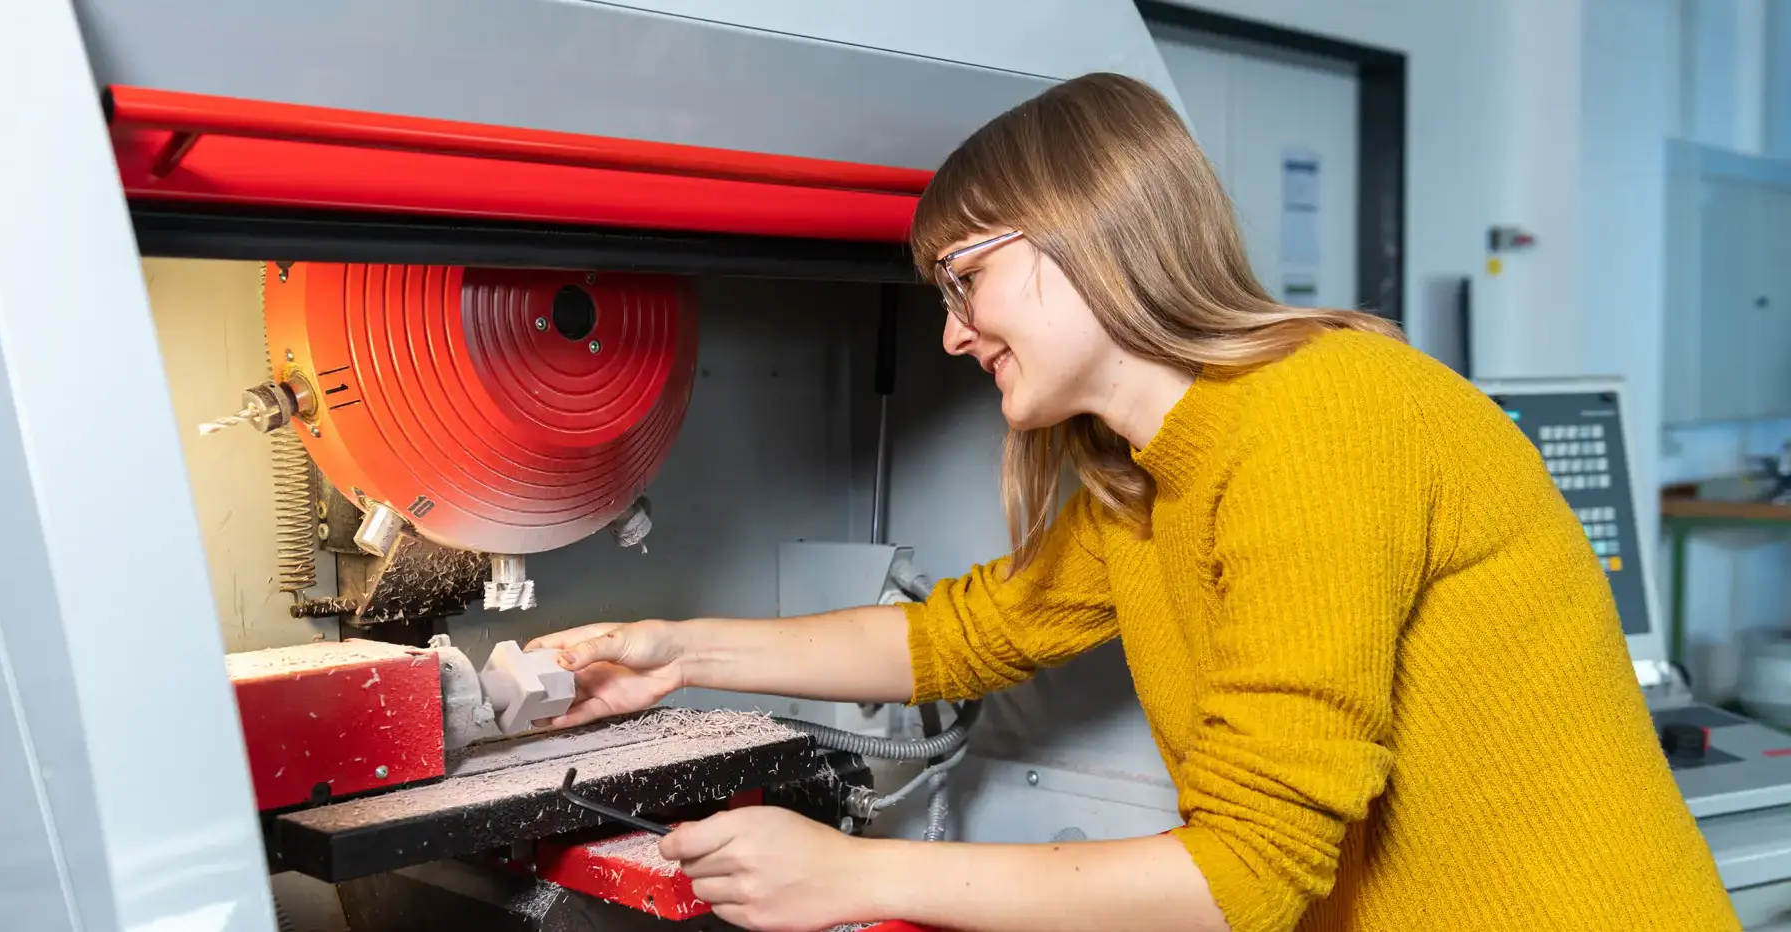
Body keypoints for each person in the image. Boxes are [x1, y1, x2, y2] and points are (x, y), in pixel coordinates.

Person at [529, 72, 1739, 932]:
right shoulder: (1145, 477)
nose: (951, 331)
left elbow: (1246, 876)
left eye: (966, 277)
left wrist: (853, 874)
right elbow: (957, 635)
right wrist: (678, 652)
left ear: (1087, 225)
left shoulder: (1320, 419)